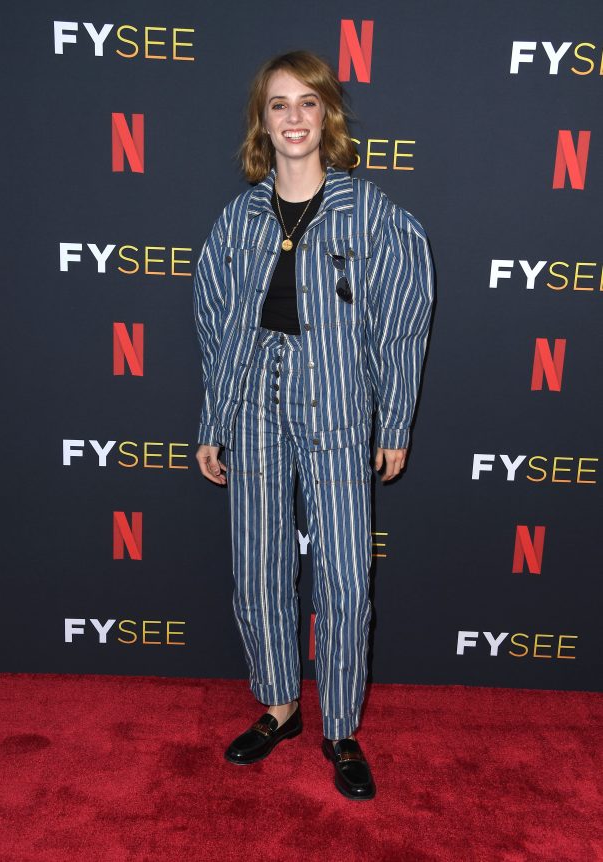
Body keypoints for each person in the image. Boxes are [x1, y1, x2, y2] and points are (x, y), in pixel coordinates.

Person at [193, 49, 434, 801]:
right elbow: (217, 325)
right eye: (277, 105)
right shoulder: (236, 220)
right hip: (254, 401)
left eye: (306, 103)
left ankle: (340, 729)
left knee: (344, 572)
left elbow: (402, 325)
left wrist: (393, 418)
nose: (292, 117)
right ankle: (279, 707)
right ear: (260, 123)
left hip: (336, 403)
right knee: (258, 564)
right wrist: (214, 419)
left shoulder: (375, 215)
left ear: (326, 114)